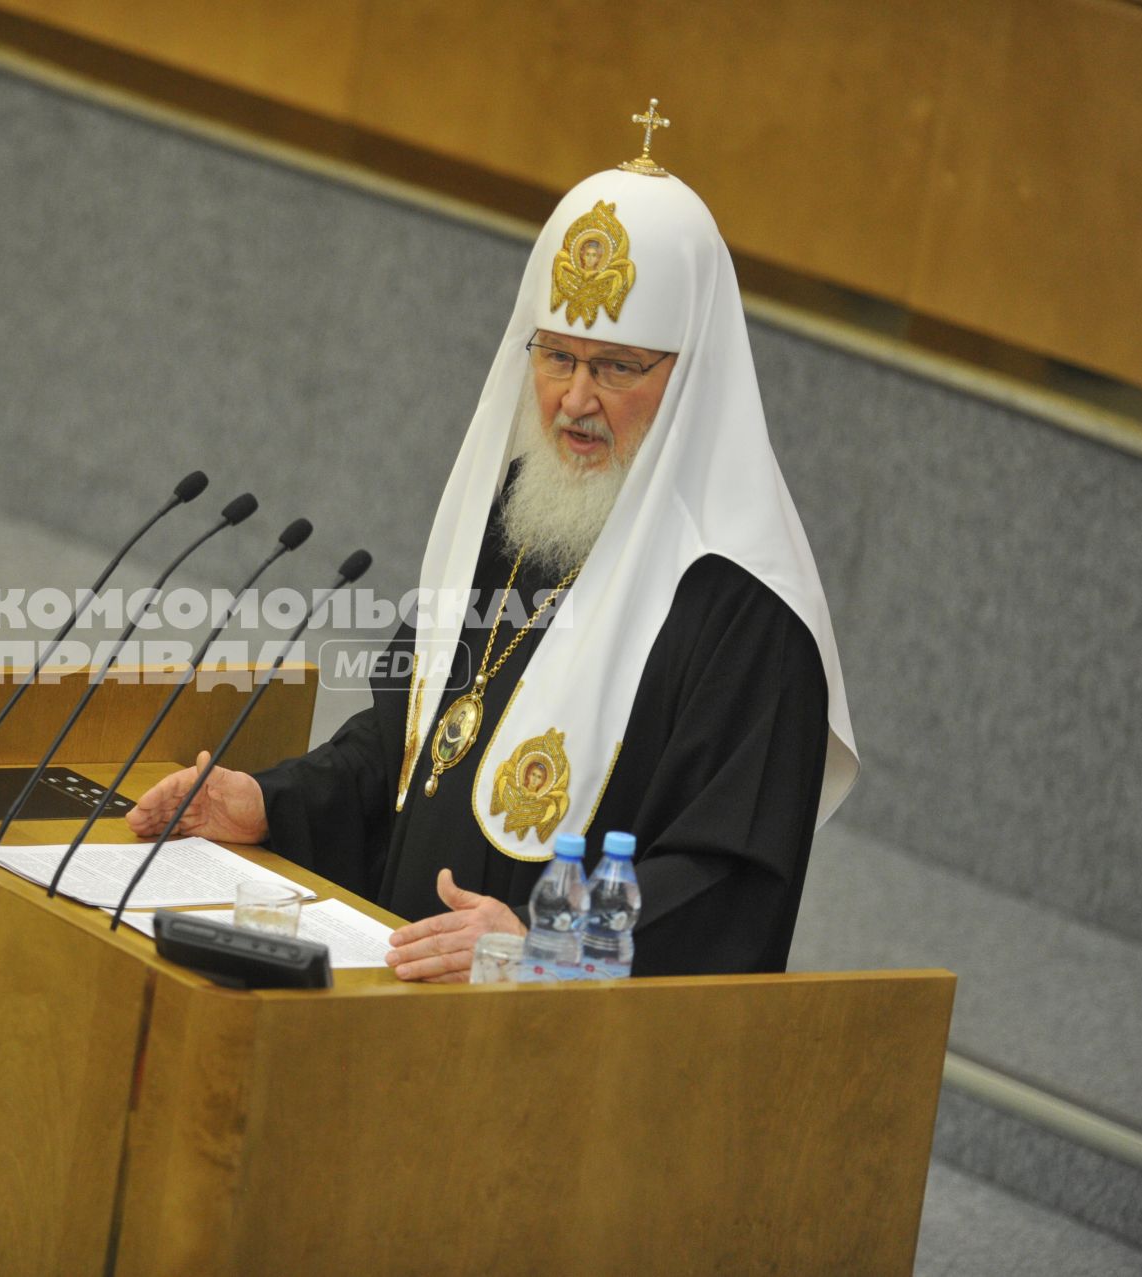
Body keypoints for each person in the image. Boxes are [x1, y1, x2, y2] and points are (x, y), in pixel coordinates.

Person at [129, 135, 858, 982]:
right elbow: (409, 741)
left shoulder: (747, 608)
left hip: (557, 1066)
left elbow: (728, 886)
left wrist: (539, 945)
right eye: (555, 356)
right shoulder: (518, 513)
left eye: (617, 367)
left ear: (692, 380)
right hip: (394, 992)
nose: (574, 400)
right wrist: (271, 801)